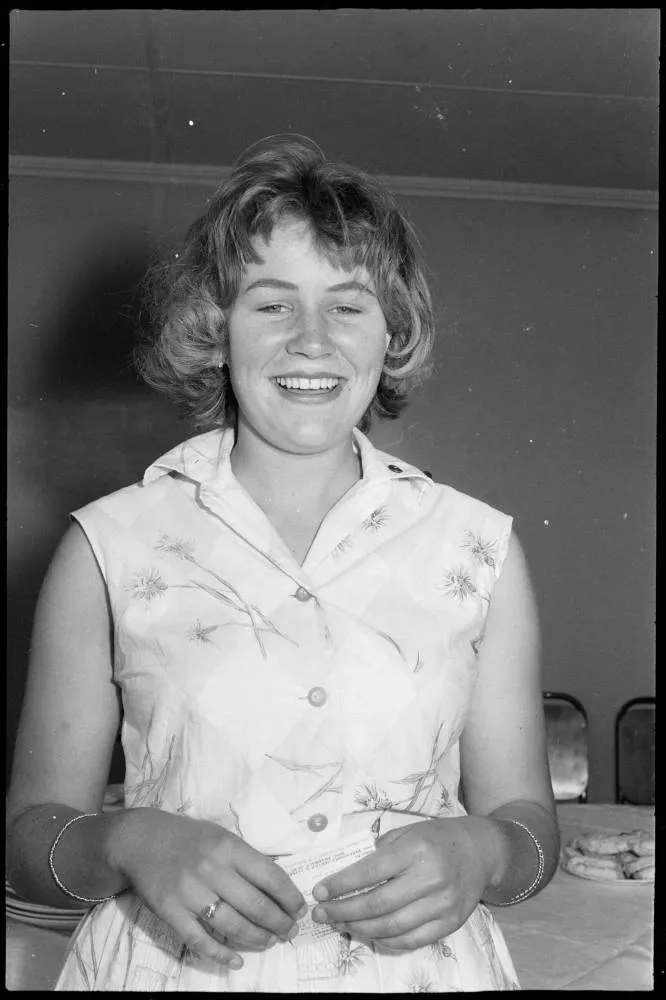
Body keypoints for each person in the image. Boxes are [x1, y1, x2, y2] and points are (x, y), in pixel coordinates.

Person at [6, 133, 560, 992]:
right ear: (215, 332)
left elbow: (530, 828)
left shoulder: (479, 548)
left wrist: (484, 850)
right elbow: (29, 844)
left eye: (348, 305)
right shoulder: (105, 547)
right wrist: (125, 840)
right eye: (271, 304)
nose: (312, 339)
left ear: (391, 334)